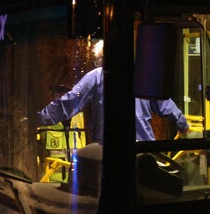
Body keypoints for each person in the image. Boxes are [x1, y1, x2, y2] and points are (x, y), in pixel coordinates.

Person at [38, 40, 189, 142]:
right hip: (142, 151)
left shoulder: (96, 77)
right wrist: (183, 126)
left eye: (98, 60)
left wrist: (39, 118)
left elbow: (69, 103)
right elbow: (166, 105)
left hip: (109, 151)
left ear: (102, 58)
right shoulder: (143, 77)